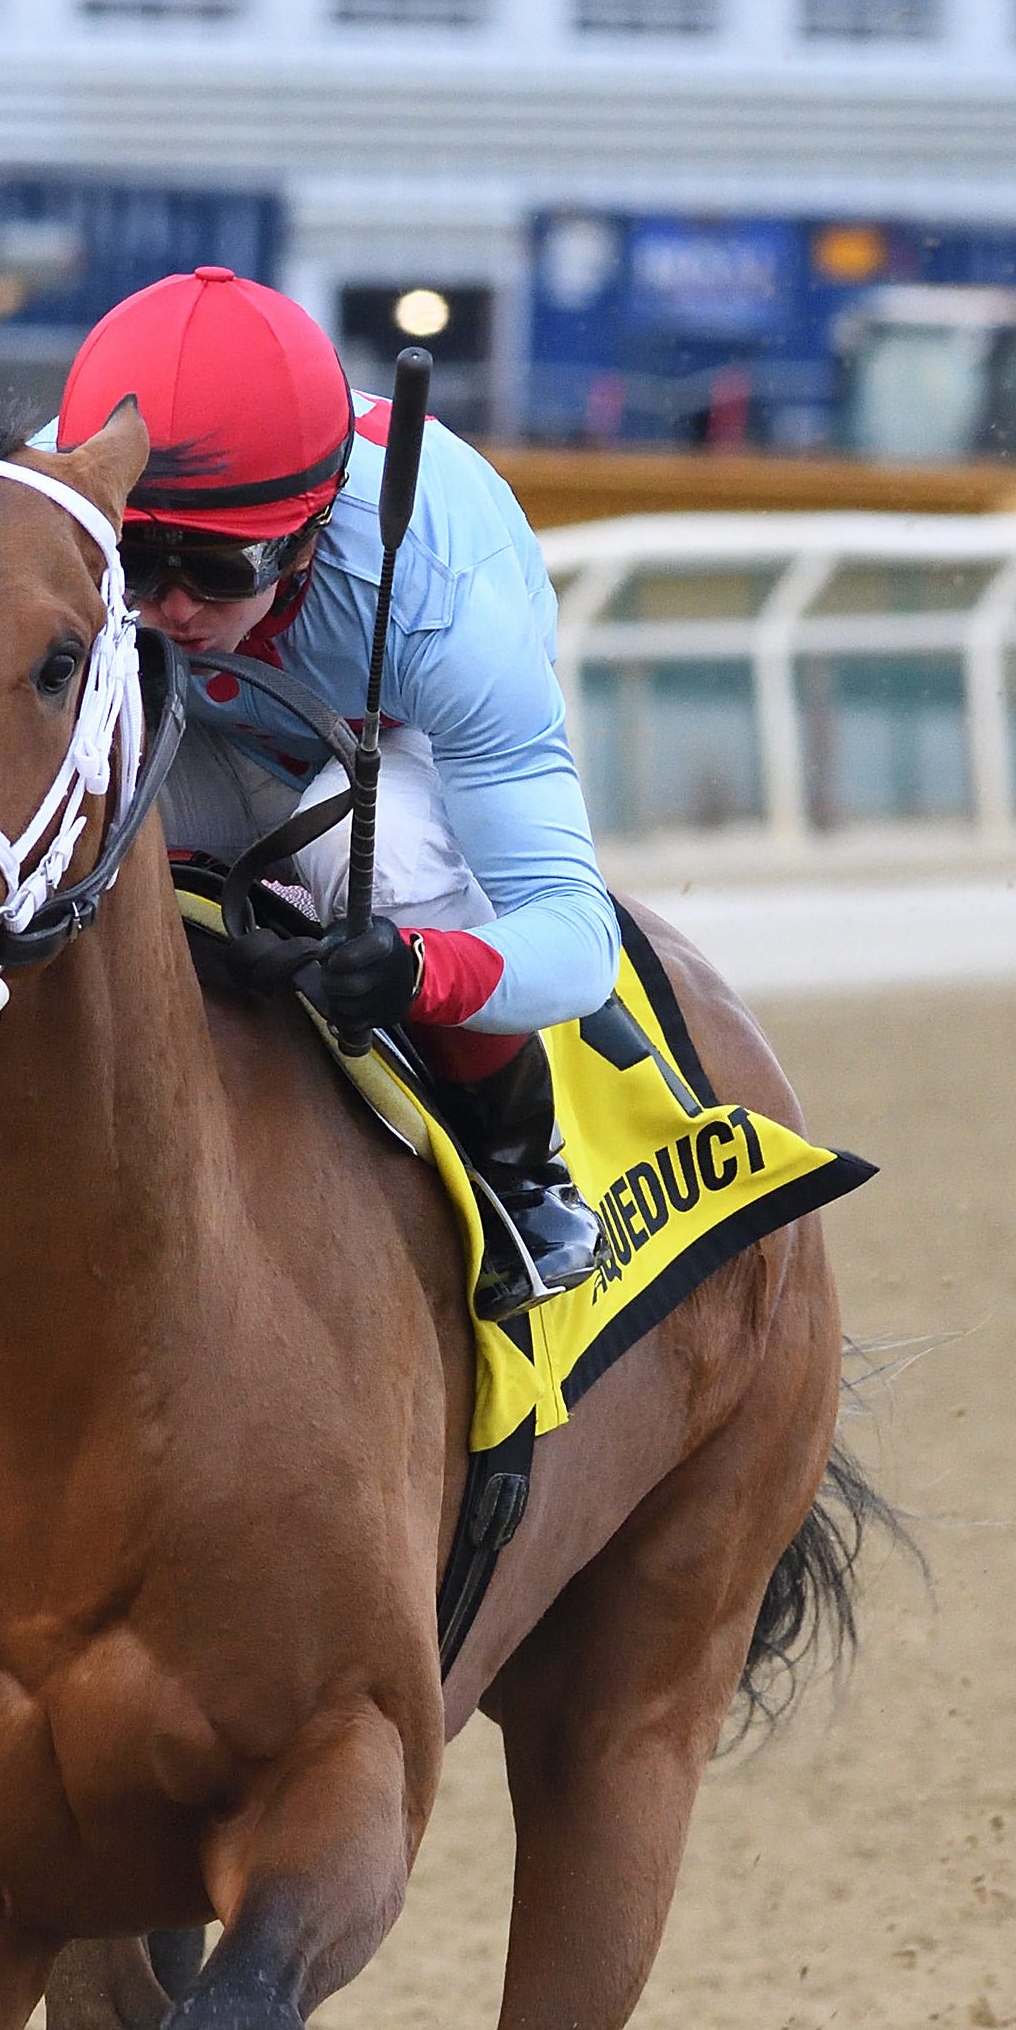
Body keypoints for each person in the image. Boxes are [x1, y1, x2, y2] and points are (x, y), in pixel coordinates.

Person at [64, 265, 609, 1316]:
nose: (171, 607)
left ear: (311, 532)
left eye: (218, 571)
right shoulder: (70, 482)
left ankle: (521, 1175)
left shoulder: (446, 612)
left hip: (375, 746)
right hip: (188, 728)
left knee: (386, 864)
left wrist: (419, 975)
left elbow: (577, 937)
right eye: (134, 559)